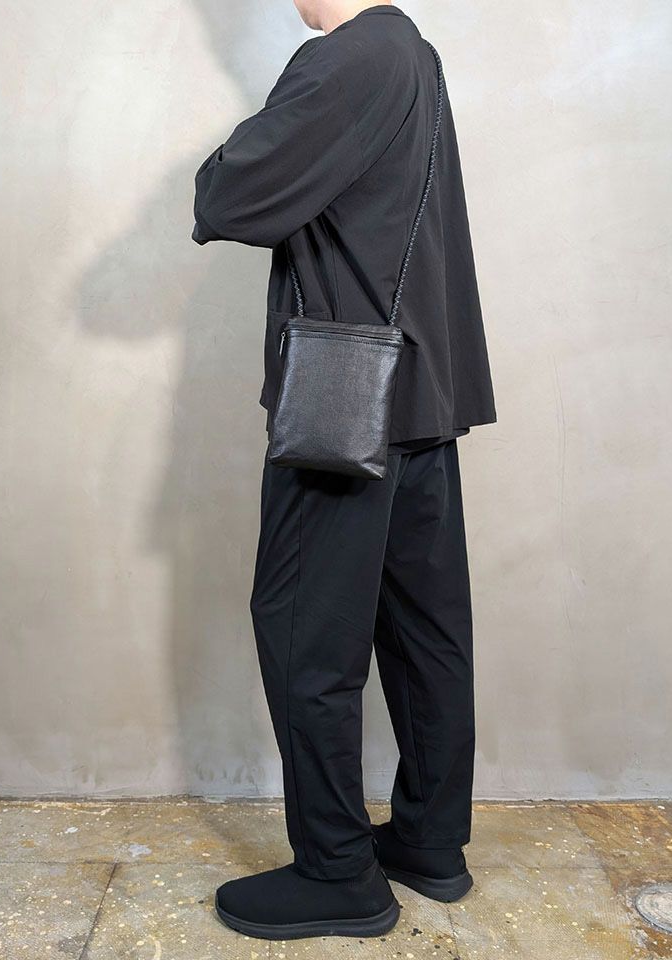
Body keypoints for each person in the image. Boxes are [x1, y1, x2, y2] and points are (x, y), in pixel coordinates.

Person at [192, 0, 496, 941]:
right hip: (422, 397)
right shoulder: (415, 53)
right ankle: (430, 844)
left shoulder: (341, 58)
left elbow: (225, 197)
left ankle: (337, 873)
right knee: (424, 633)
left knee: (304, 636)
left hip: (345, 407)